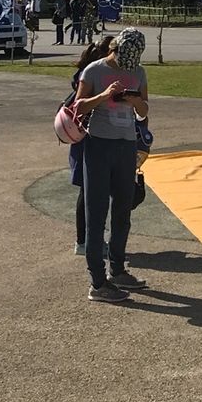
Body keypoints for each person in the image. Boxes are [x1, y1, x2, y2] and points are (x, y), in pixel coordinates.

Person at [73, 26, 150, 302]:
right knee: (96, 213)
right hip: (98, 145)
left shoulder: (138, 72)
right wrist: (104, 95)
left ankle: (118, 269)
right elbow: (78, 107)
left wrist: (135, 100)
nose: (128, 66)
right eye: (124, 59)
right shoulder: (94, 70)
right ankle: (97, 281)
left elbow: (144, 112)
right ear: (114, 49)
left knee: (123, 211)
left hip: (126, 145)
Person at [68, 36, 113, 258]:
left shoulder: (86, 73)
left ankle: (87, 240)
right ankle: (84, 241)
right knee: (89, 193)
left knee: (91, 192)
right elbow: (82, 106)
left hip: (86, 138)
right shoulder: (90, 76)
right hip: (87, 138)